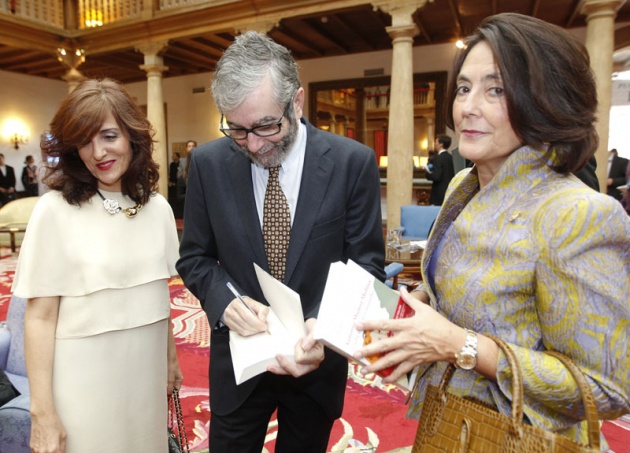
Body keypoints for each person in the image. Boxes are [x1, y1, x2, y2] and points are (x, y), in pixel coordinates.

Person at [354, 13, 630, 448]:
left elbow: (607, 389)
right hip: (446, 422)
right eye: (463, 88)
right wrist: (415, 309)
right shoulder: (465, 186)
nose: (468, 107)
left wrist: (460, 346)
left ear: (545, 100)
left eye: (495, 90)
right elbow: (457, 288)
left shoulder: (579, 215)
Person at [176, 31, 385, 452]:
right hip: (239, 361)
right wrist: (223, 302)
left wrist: (324, 331)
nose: (253, 144)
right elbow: (194, 256)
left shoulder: (351, 163)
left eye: (266, 125)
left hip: (317, 365)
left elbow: (368, 268)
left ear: (298, 102)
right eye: (237, 129)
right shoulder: (208, 164)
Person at [12, 78, 183, 452]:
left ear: (132, 136)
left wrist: (170, 361)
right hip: (83, 386)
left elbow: (158, 297)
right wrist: (43, 415)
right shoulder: (53, 212)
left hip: (146, 380)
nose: (98, 152)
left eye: (108, 136)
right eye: (85, 141)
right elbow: (38, 319)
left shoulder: (158, 210)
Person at [424, 135, 455, 205]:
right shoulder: (451, 158)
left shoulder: (438, 158)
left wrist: (427, 174)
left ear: (441, 144)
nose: (435, 144)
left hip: (438, 193)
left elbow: (436, 176)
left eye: (436, 142)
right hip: (449, 191)